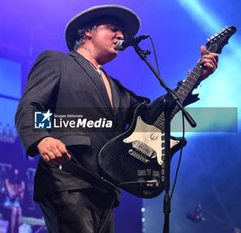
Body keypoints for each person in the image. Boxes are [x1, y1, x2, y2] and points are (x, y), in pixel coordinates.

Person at [15, 5, 218, 233]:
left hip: (106, 189)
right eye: (113, 29)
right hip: (67, 179)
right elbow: (35, 105)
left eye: (122, 32)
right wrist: (42, 138)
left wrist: (195, 79)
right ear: (88, 32)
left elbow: (153, 116)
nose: (121, 36)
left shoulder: (117, 89)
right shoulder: (57, 61)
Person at [4, 168, 25, 233]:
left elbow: (21, 202)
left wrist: (21, 193)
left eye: (17, 175)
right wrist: (18, 193)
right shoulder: (7, 181)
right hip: (8, 202)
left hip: (17, 204)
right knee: (14, 210)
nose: (16, 177)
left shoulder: (21, 183)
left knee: (19, 210)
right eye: (14, 175)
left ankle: (19, 231)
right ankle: (12, 231)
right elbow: (11, 197)